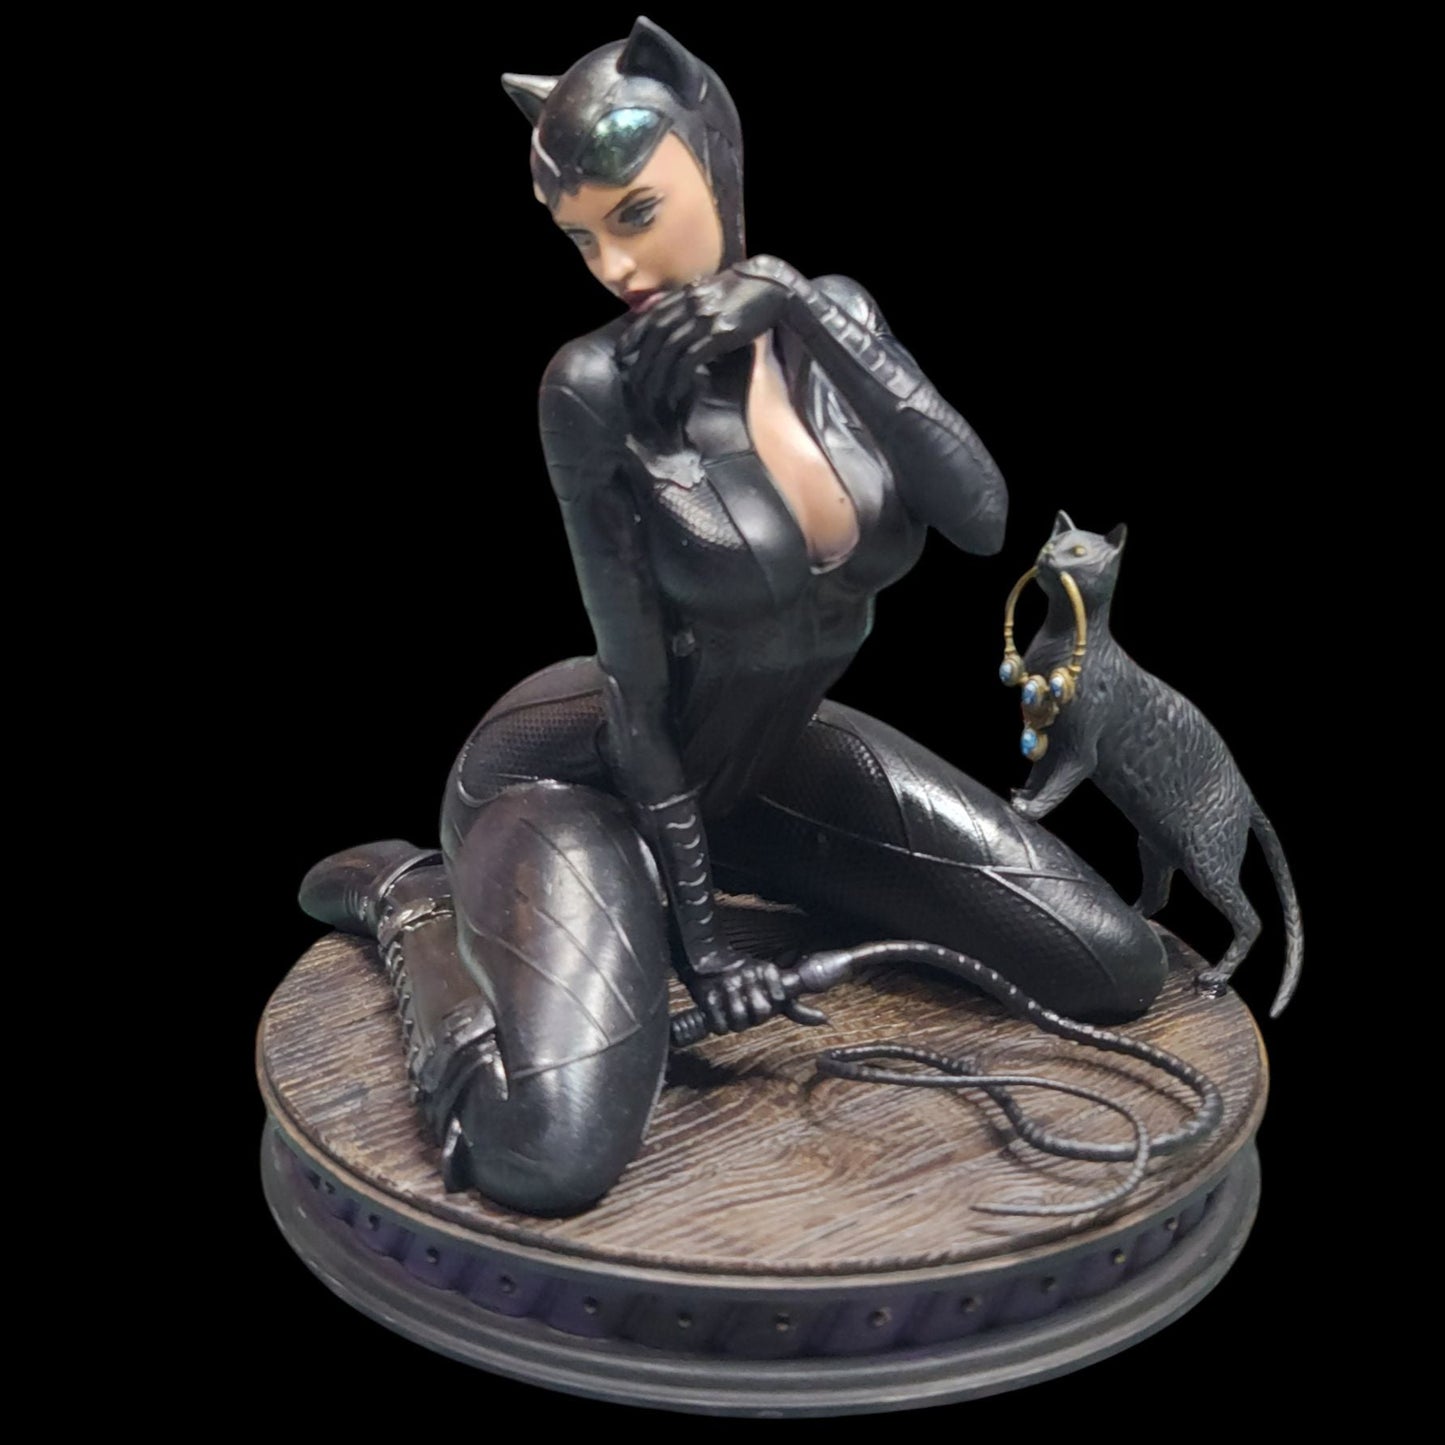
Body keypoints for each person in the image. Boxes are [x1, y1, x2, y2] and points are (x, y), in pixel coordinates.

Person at [299, 17, 1166, 1216]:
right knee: (542, 1152)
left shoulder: (828, 321)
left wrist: (794, 304)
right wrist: (701, 946)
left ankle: (675, 906)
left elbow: (978, 516)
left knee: (1112, 962)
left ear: (715, 159)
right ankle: (413, 901)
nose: (614, 266)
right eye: (581, 236)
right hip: (580, 783)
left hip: (759, 764)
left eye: (635, 213)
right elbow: (634, 698)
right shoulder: (593, 391)